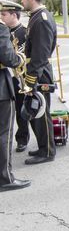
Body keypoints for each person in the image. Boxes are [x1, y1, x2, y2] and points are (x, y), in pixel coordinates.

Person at [21, 0, 57, 165]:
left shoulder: (41, 19)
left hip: (39, 73)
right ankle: (44, 146)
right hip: (37, 71)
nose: (21, 0)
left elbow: (40, 55)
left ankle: (48, 151)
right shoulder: (36, 16)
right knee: (37, 112)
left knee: (41, 111)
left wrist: (30, 80)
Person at [0, 12, 30, 190]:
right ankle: (5, 178)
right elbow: (9, 58)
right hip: (1, 90)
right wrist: (19, 56)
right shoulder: (1, 27)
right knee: (4, 134)